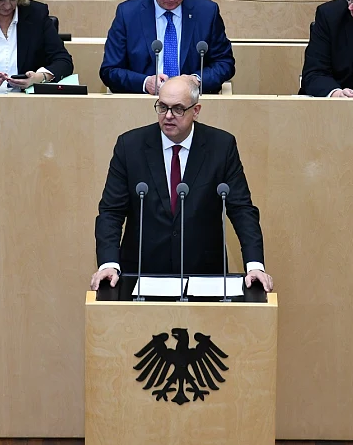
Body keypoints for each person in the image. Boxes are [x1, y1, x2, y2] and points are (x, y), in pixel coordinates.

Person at [91, 76, 272, 292]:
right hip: (142, 272)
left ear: (196, 111)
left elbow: (241, 209)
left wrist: (254, 265)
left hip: (204, 273)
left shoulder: (221, 146)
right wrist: (108, 263)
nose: (168, 115)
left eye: (178, 109)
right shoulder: (130, 146)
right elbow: (111, 211)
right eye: (162, 107)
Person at [99, 0, 235, 95]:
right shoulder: (127, 14)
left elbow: (225, 63)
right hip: (142, 101)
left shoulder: (207, 12)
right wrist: (145, 83)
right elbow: (110, 70)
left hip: (193, 102)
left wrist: (196, 80)